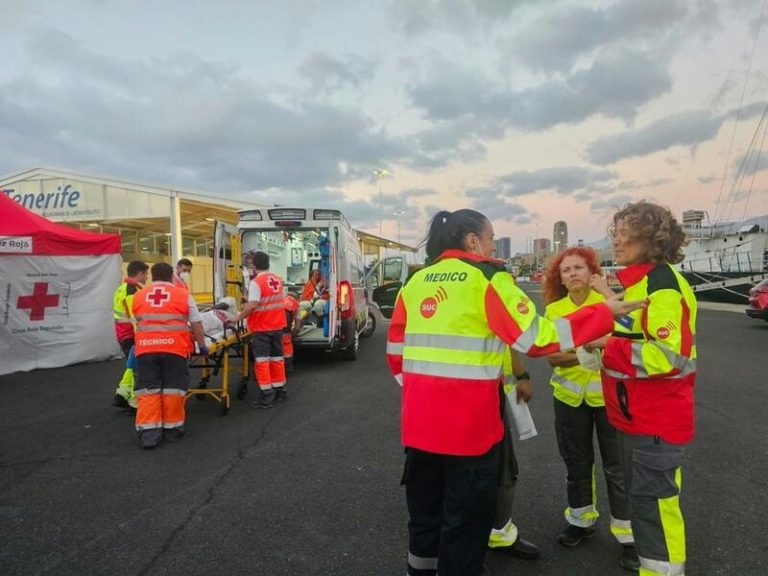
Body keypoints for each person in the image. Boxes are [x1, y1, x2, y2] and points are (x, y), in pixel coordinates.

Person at [386, 209, 646, 576]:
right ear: (474, 241)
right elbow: (535, 337)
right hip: (470, 431)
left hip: (419, 427)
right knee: (465, 523)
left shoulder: (415, 283)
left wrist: (426, 393)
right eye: (491, 238)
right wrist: (603, 314)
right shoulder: (488, 278)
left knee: (425, 518)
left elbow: (396, 355)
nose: (494, 246)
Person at [587, 202, 696, 576]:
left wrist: (606, 345)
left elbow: (668, 358)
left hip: (656, 421)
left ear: (652, 238)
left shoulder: (663, 287)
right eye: (615, 231)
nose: (615, 239)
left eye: (624, 232)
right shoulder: (645, 283)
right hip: (636, 418)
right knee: (645, 506)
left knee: (655, 509)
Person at [542, 247, 637, 571]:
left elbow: (627, 339)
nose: (572, 274)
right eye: (566, 270)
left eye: (578, 267)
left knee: (617, 467)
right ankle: (581, 521)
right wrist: (594, 349)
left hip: (609, 397)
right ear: (561, 279)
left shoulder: (607, 304)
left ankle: (627, 536)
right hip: (569, 399)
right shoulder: (555, 310)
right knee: (577, 464)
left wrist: (587, 347)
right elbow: (553, 356)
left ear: (592, 271)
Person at [132, 262, 207, 449]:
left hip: (146, 351)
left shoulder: (139, 295)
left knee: (148, 391)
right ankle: (172, 428)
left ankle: (149, 433)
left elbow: (137, 323)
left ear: (153, 277)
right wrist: (202, 345)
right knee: (173, 390)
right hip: (174, 350)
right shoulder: (183, 295)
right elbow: (196, 322)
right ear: (171, 275)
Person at [487, 348, 540, 561]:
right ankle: (465, 542)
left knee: (504, 469)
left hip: (494, 394)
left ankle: (500, 534)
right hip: (462, 398)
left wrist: (522, 376)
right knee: (464, 474)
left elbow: (507, 341)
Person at [232, 251, 288, 408]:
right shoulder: (277, 279)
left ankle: (267, 397)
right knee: (277, 360)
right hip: (277, 326)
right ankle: (280, 391)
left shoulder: (256, 282)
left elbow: (253, 305)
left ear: (254, 265)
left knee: (262, 362)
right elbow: (272, 300)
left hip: (262, 328)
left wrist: (238, 317)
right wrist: (250, 299)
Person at [112, 260, 149, 410]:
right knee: (138, 369)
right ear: (139, 274)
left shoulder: (122, 288)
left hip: (123, 334)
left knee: (132, 366)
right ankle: (134, 402)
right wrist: (143, 337)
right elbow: (135, 318)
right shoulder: (131, 291)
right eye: (146, 274)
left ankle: (121, 394)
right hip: (132, 335)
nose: (147, 277)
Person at [283, 292, 300, 373]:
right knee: (287, 348)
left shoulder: (279, 300)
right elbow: (297, 325)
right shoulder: (296, 305)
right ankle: (287, 369)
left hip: (273, 328)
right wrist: (293, 334)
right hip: (285, 330)